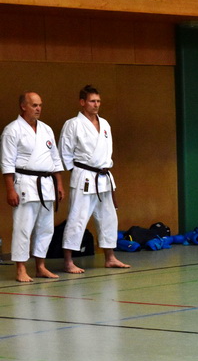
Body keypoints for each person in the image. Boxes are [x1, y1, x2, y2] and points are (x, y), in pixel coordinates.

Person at [58, 85, 130, 273]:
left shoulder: (105, 124)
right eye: (92, 101)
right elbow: (64, 153)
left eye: (98, 101)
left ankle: (110, 257)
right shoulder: (72, 124)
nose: (96, 104)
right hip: (84, 176)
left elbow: (108, 151)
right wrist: (79, 170)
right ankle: (68, 261)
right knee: (77, 218)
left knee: (108, 218)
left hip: (104, 176)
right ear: (82, 102)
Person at [1, 92, 65, 283]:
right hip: (25, 183)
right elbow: (6, 163)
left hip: (46, 183)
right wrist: (10, 189)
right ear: (23, 106)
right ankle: (21, 269)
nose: (38, 109)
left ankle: (40, 266)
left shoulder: (46, 129)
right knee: (23, 227)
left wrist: (59, 183)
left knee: (46, 228)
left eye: (40, 105)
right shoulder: (12, 130)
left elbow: (55, 159)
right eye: (34, 105)